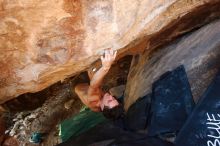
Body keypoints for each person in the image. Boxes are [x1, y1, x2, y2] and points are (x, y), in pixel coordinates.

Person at [74, 48, 124, 120]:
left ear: (103, 107)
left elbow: (93, 86)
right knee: (99, 83)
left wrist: (105, 67)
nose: (111, 96)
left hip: (79, 81)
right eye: (113, 98)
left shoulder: (93, 99)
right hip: (86, 87)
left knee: (95, 69)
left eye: (109, 101)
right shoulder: (99, 108)